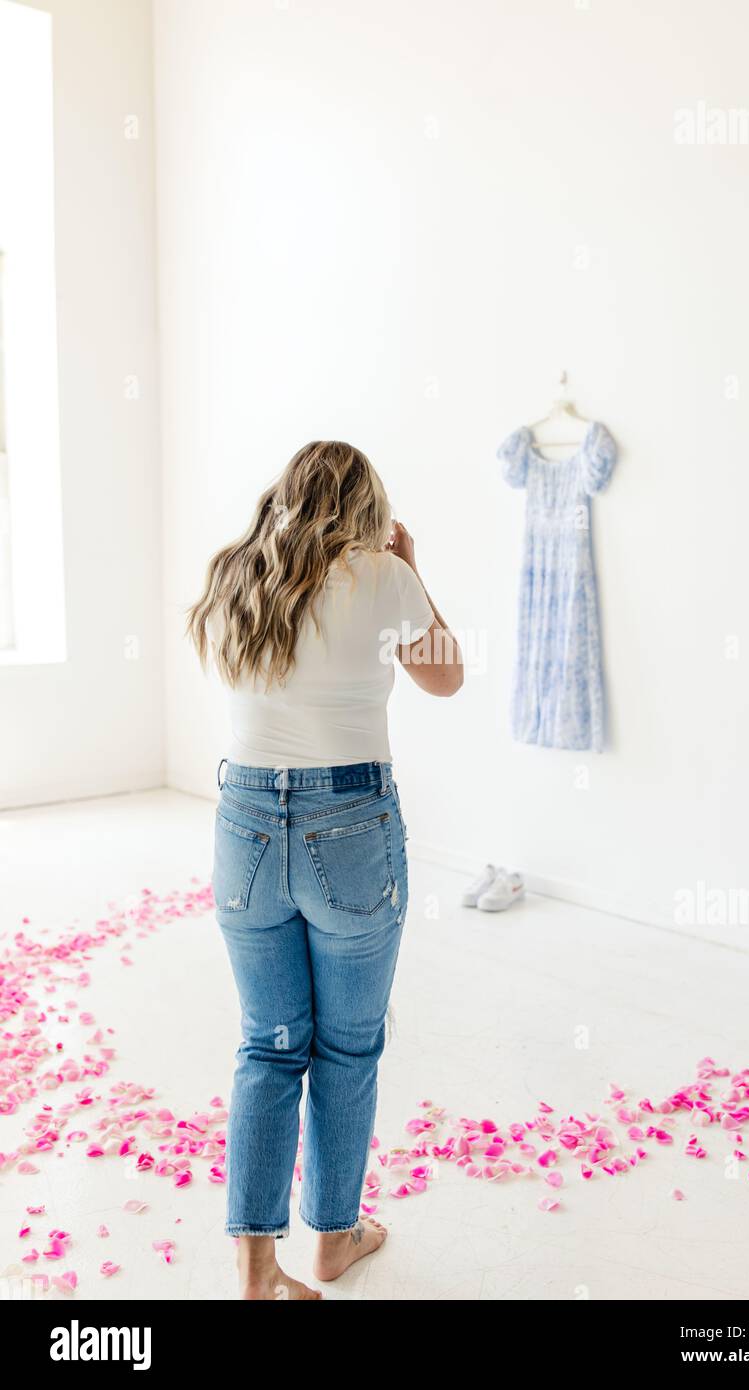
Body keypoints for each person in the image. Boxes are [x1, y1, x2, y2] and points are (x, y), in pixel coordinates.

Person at [187, 440, 462, 1300]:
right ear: (367, 508)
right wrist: (415, 570)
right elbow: (447, 679)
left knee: (267, 1047)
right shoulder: (383, 577)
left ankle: (257, 1273)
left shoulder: (238, 571)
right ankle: (335, 1239)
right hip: (349, 825)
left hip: (245, 827)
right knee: (347, 1048)